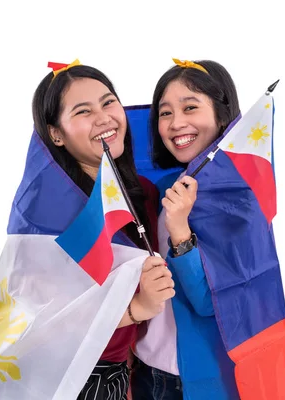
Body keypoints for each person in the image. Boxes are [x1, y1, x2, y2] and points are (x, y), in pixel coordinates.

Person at [31, 60, 179, 400]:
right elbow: (46, 321)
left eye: (108, 102)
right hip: (65, 375)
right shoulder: (47, 211)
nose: (104, 118)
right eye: (83, 111)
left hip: (121, 375)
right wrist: (137, 309)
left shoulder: (143, 193)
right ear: (56, 133)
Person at [131, 59, 242, 399]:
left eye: (190, 107)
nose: (176, 123)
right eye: (165, 113)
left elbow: (213, 303)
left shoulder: (239, 195)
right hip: (144, 369)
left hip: (195, 380)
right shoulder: (161, 186)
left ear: (222, 115)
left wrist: (179, 230)